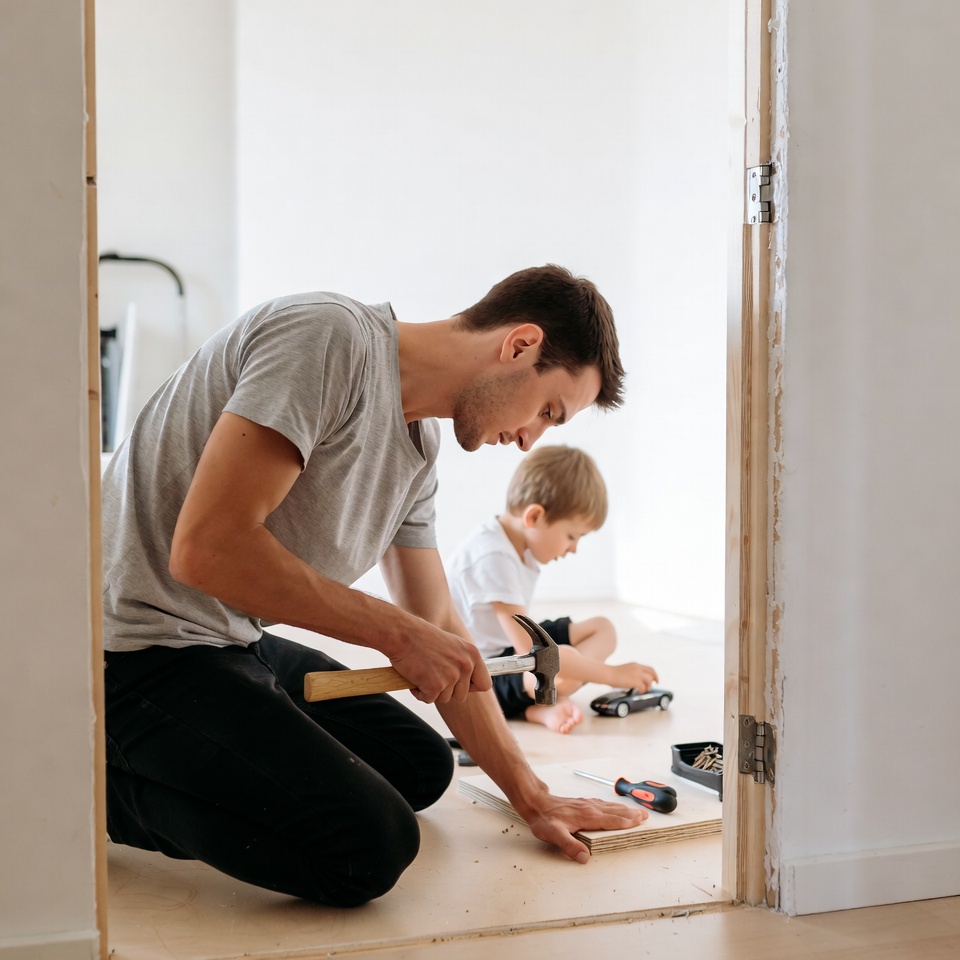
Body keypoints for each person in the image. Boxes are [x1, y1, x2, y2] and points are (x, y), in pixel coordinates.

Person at [100, 263, 647, 908]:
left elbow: (438, 623)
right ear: (520, 344)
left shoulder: (419, 452)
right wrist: (395, 632)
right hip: (131, 653)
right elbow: (208, 550)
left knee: (420, 765)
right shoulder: (327, 340)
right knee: (366, 847)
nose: (531, 439)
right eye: (548, 410)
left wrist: (532, 797)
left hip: (226, 642)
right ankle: (80, 777)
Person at [447, 445, 659, 735]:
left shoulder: (516, 544)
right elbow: (536, 655)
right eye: (572, 536)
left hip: (512, 650)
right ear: (534, 517)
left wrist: (576, 663)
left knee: (602, 628)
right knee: (558, 665)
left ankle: (549, 697)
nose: (573, 548)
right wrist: (611, 675)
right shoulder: (492, 556)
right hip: (485, 673)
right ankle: (542, 704)